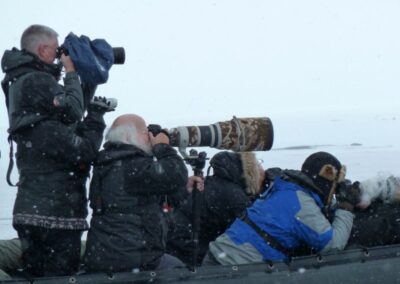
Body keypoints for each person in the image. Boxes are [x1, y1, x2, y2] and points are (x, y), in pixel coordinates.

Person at [1, 24, 115, 277]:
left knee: (37, 273)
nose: (60, 57)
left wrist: (87, 80)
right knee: (59, 276)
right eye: (56, 50)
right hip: (55, 211)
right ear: (42, 49)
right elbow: (75, 114)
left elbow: (72, 109)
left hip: (33, 208)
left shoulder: (22, 80)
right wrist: (73, 72)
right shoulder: (36, 80)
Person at [203, 151, 361, 265]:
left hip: (218, 258)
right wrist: (346, 207)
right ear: (327, 180)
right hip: (238, 268)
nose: (333, 193)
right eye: (334, 188)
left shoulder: (284, 188)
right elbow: (332, 245)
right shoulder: (301, 204)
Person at [83, 114, 189, 273]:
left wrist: (185, 187)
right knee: (181, 272)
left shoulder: (108, 163)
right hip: (134, 257)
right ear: (128, 136)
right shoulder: (132, 165)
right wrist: (162, 146)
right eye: (145, 133)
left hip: (106, 254)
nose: (149, 138)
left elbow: (154, 188)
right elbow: (176, 174)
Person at [166, 151, 265, 265]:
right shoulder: (235, 196)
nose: (262, 169)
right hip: (190, 254)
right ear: (250, 173)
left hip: (175, 246)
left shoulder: (213, 183)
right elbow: (252, 233)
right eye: (258, 164)